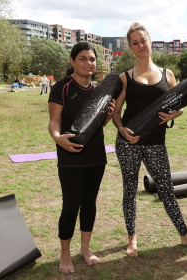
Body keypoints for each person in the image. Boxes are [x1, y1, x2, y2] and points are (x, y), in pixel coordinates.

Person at [112, 22, 187, 258]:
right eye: (134, 43)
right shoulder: (125, 78)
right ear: (130, 47)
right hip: (129, 142)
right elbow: (116, 111)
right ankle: (132, 238)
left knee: (166, 188)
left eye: (142, 40)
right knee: (129, 190)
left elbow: (181, 105)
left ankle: (185, 234)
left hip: (156, 141)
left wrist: (175, 114)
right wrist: (122, 129)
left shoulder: (167, 74)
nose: (140, 46)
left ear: (150, 41)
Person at [48, 42, 116, 273]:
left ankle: (85, 248)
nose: (89, 63)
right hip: (70, 155)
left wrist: (107, 117)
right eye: (83, 59)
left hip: (96, 156)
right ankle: (65, 253)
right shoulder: (62, 87)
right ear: (72, 61)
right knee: (71, 205)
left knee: (89, 203)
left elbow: (97, 125)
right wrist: (58, 139)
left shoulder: (99, 90)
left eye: (92, 59)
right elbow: (54, 121)